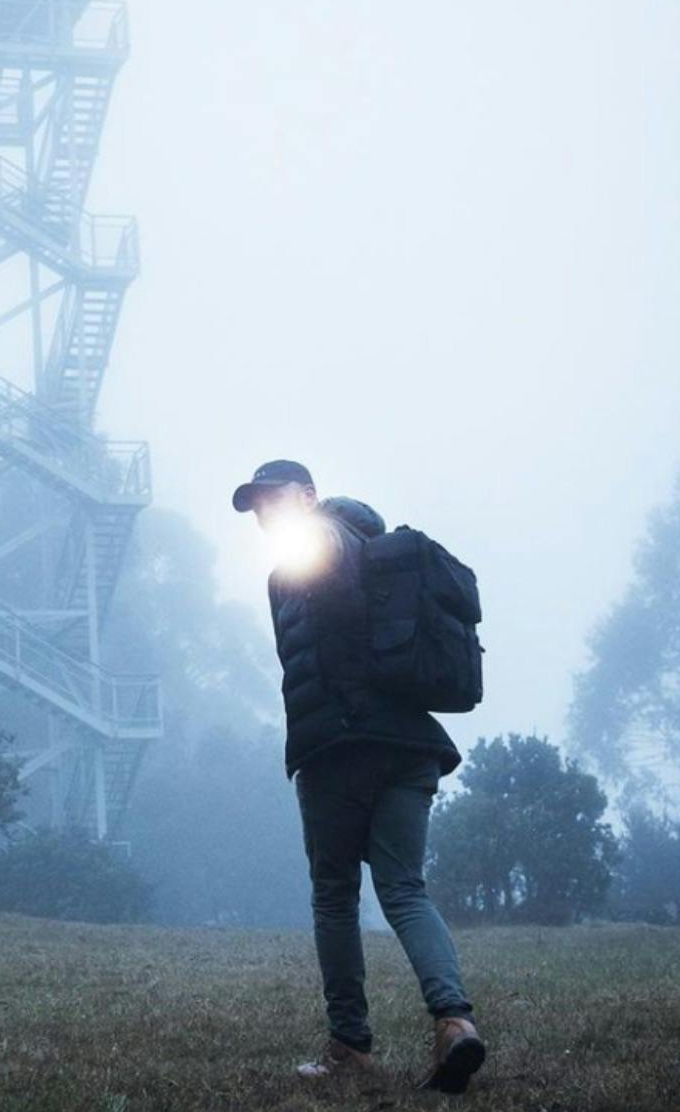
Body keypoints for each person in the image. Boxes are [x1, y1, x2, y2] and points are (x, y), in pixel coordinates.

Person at [231, 458, 486, 1095]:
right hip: (410, 747)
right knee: (404, 888)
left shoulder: (318, 542)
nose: (266, 512)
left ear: (310, 496)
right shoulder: (375, 556)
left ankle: (349, 1044)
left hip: (343, 748)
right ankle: (454, 1022)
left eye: (275, 497)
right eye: (257, 505)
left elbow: (322, 640)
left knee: (335, 893)